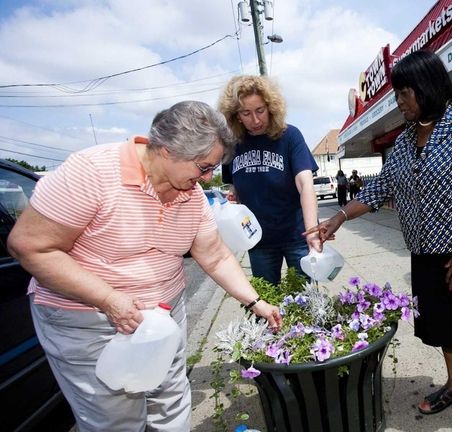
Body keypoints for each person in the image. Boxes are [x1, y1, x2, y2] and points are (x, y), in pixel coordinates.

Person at [7, 101, 283, 432]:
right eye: (203, 167)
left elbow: (216, 255)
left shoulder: (192, 196)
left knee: (171, 405)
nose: (208, 178)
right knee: (116, 421)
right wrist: (108, 299)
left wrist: (255, 302)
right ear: (167, 150)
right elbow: (30, 246)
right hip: (92, 325)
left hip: (163, 320)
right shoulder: (91, 172)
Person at [304, 50, 452, 432]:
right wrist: (339, 217)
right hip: (426, 250)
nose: (399, 103)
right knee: (444, 325)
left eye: (404, 94)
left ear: (427, 87)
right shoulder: (405, 140)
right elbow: (382, 187)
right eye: (397, 95)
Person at [218, 75, 321, 285]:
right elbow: (234, 188)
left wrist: (312, 231)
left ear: (271, 107)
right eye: (246, 113)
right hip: (258, 241)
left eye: (260, 111)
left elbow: (305, 184)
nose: (255, 120)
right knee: (268, 305)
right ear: (236, 115)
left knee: (305, 303)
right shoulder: (233, 144)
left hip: (297, 237)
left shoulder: (290, 136)